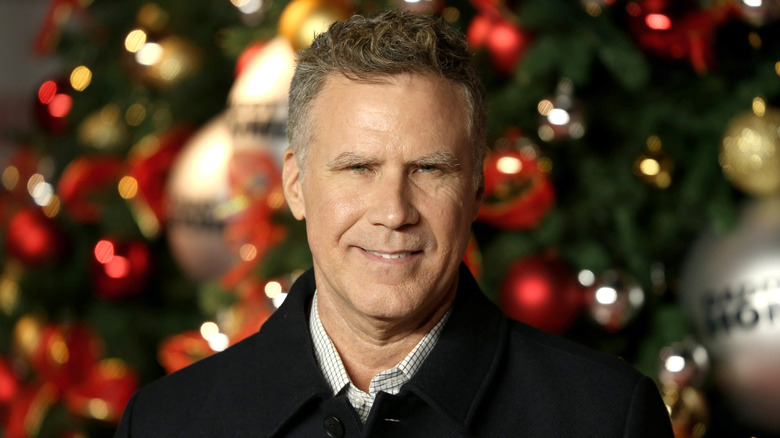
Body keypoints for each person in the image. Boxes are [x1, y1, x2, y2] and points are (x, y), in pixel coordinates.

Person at [115, 10, 674, 437]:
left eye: (429, 169)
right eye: (357, 168)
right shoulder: (166, 423)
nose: (393, 212)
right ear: (296, 184)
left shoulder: (605, 418)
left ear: (477, 188)